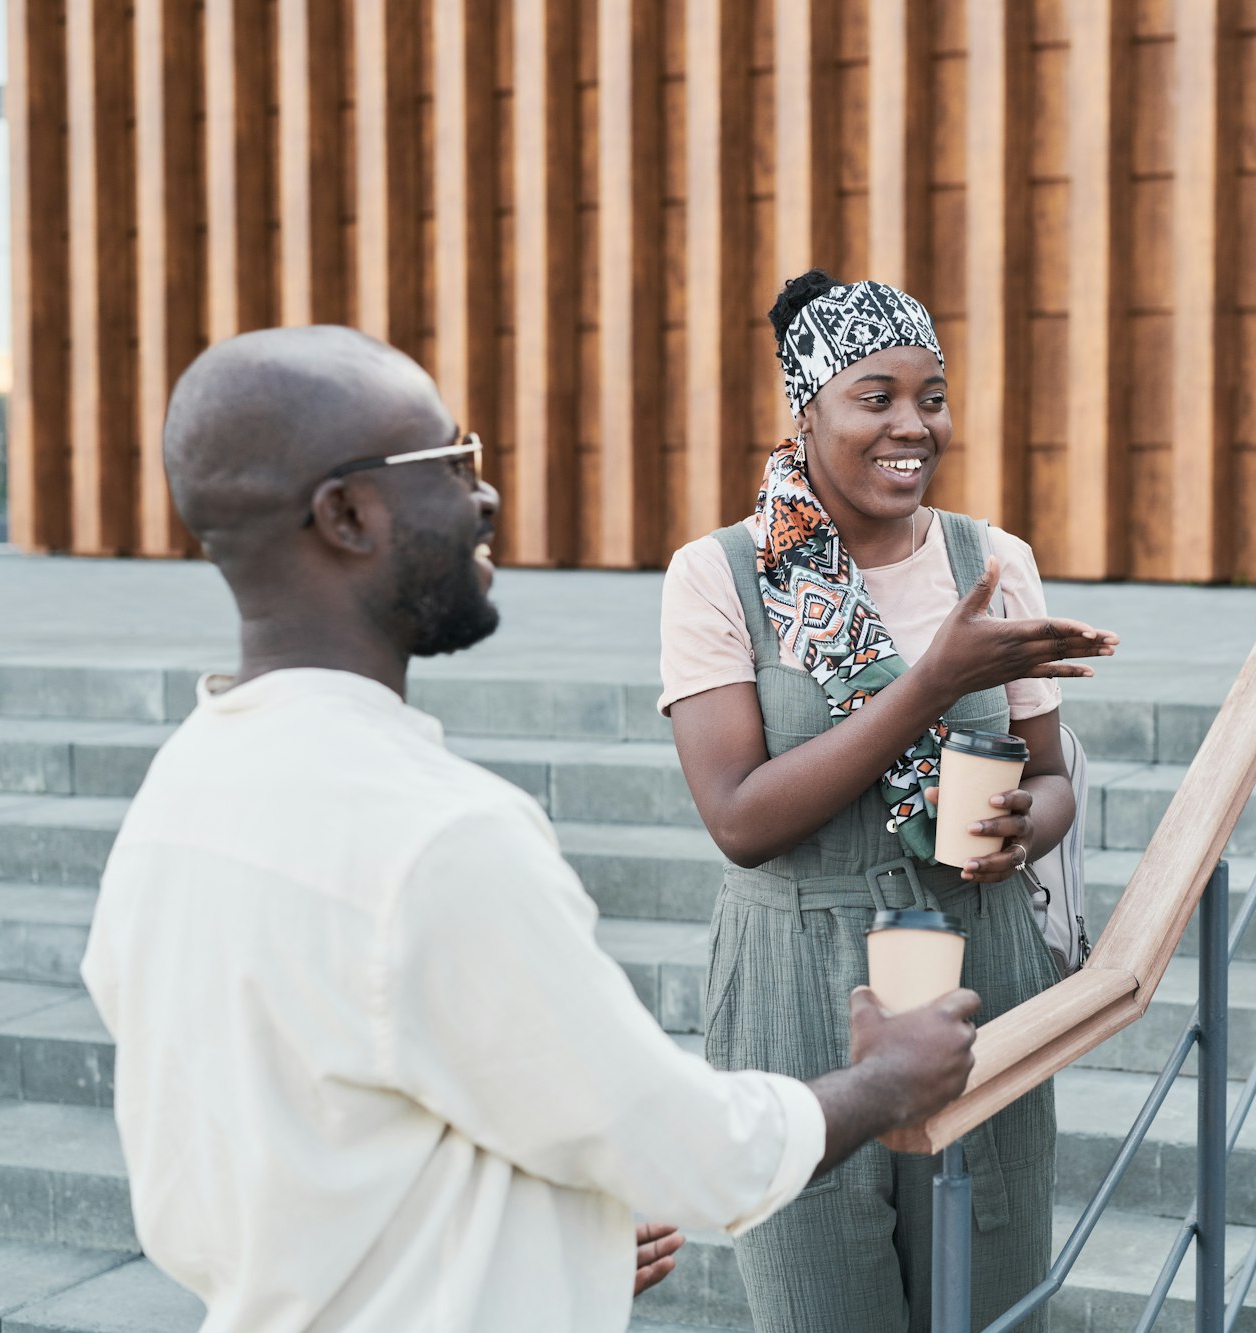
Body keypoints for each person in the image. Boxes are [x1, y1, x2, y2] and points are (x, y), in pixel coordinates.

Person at [80, 325, 986, 1333]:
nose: (486, 494)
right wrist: (884, 1078)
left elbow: (303, 1145)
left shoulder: (181, 795)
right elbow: (689, 1148)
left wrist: (541, 1245)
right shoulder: (439, 836)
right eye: (451, 460)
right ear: (346, 515)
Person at [659, 270, 1119, 1331]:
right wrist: (929, 685)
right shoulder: (719, 574)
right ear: (806, 409)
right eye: (875, 396)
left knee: (989, 1292)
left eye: (932, 395)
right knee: (818, 1295)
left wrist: (1021, 828)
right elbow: (738, 818)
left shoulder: (989, 559)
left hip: (978, 959)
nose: (912, 425)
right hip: (793, 972)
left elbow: (1048, 778)